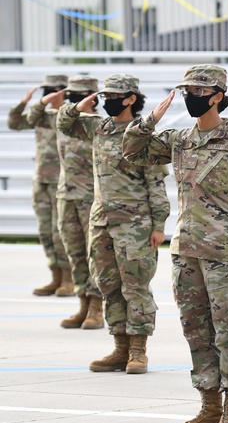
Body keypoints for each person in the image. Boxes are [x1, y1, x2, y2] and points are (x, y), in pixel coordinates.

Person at [123, 65, 228, 423]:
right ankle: (209, 408)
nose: (191, 97)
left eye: (198, 91)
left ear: (217, 95)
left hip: (226, 253)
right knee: (196, 330)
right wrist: (151, 118)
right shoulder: (180, 139)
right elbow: (132, 151)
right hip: (186, 251)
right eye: (186, 91)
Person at [58, 74, 170, 375]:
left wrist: (158, 225)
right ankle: (119, 347)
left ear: (131, 98)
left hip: (135, 225)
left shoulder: (143, 136)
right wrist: (81, 104)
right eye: (104, 96)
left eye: (113, 96)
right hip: (102, 222)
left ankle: (138, 351)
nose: (107, 101)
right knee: (109, 286)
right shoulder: (100, 128)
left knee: (135, 287)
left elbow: (156, 183)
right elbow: (64, 124)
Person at [7, 75, 72, 297]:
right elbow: (14, 123)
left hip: (63, 182)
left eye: (56, 89)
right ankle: (55, 276)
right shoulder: (41, 115)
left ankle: (68, 278)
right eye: (48, 89)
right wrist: (26, 102)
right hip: (42, 180)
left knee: (60, 232)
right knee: (46, 232)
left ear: (65, 90)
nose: (51, 93)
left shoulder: (71, 116)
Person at [54, 76, 103, 330]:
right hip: (66, 196)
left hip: (90, 197)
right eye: (69, 94)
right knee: (74, 253)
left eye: (78, 94)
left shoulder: (97, 125)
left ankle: (96, 306)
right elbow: (36, 116)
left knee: (93, 253)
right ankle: (82, 303)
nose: (72, 98)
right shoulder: (64, 121)